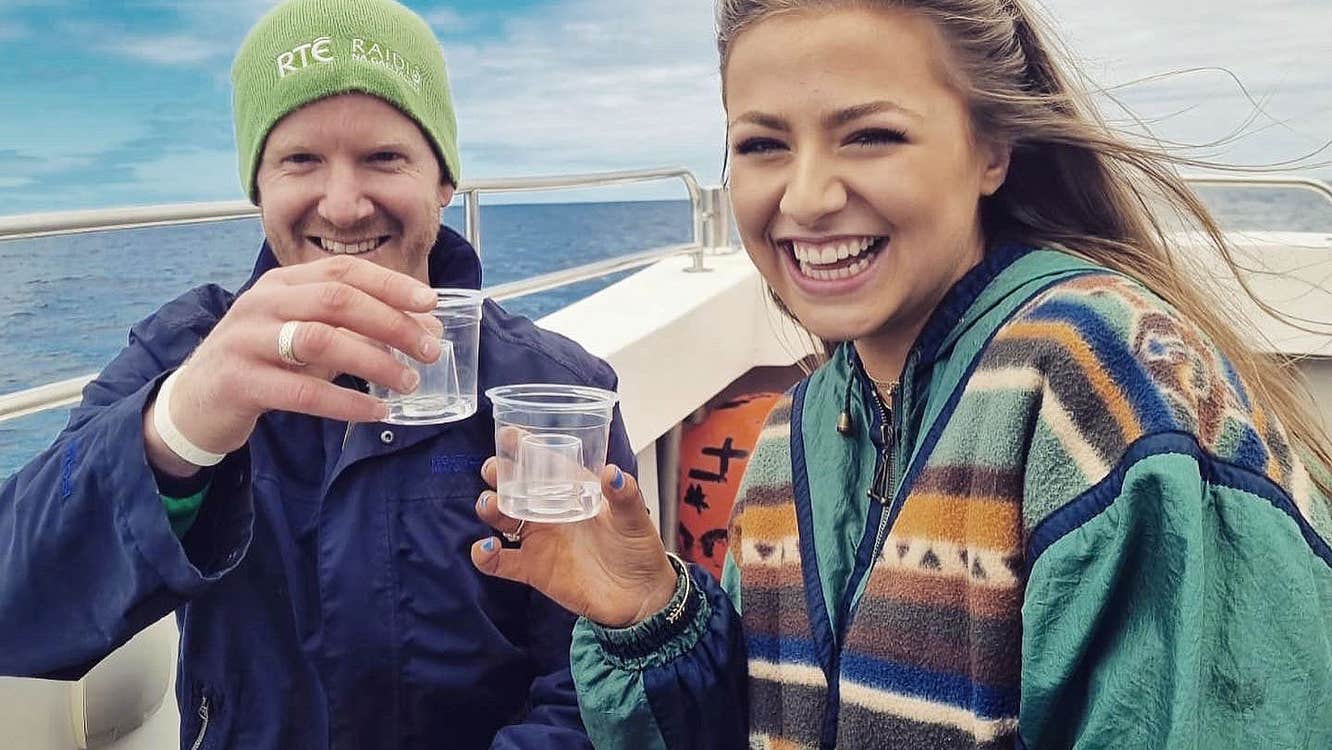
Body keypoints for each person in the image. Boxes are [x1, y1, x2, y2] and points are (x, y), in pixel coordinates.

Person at [469, 0, 1332, 747]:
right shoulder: (794, 436)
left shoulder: (1103, 385)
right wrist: (650, 616)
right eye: (763, 144)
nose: (806, 197)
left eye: (871, 136)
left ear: (992, 150)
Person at [0, 0, 632, 748]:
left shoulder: (552, 389)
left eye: (384, 157)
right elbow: (19, 612)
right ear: (258, 188)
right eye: (300, 160)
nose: (344, 205)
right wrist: (172, 434)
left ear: (443, 181)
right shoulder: (182, 355)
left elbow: (593, 684)